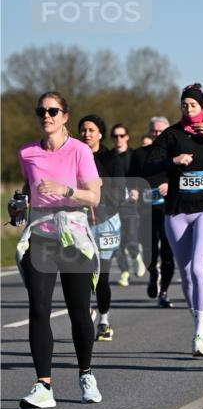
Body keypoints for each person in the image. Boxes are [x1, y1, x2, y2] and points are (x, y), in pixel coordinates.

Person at [12, 92, 102, 409]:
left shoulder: (79, 151)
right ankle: (43, 386)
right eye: (41, 111)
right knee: (39, 307)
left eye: (53, 110)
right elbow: (28, 189)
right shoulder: (27, 152)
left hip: (73, 235)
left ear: (64, 116)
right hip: (41, 235)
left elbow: (94, 197)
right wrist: (19, 205)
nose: (46, 115)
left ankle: (86, 374)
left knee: (78, 310)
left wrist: (65, 190)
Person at [146, 83, 203, 356]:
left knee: (197, 268)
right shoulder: (171, 135)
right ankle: (197, 321)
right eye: (184, 104)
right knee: (184, 273)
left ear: (202, 106)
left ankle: (199, 334)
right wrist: (174, 161)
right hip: (177, 210)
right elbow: (148, 165)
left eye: (193, 104)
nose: (188, 108)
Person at [78, 114, 125, 341]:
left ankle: (104, 320)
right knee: (84, 273)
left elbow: (118, 192)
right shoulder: (74, 155)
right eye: (83, 130)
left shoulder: (110, 157)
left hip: (106, 223)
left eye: (91, 130)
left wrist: (90, 161)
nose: (86, 134)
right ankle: (86, 313)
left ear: (99, 134)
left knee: (102, 276)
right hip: (81, 223)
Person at [128, 117, 175, 307]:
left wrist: (169, 184)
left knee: (168, 253)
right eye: (154, 131)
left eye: (161, 131)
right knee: (149, 251)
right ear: (149, 132)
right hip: (146, 211)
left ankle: (164, 291)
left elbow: (182, 176)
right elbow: (131, 178)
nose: (157, 134)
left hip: (169, 210)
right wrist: (135, 190)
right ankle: (153, 273)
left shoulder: (175, 154)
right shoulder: (140, 154)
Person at [110, 123, 146, 287]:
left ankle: (137, 257)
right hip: (112, 205)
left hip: (131, 205)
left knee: (131, 238)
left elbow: (142, 176)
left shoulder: (135, 155)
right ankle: (124, 272)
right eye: (115, 136)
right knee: (117, 243)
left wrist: (137, 190)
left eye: (121, 135)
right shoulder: (108, 157)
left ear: (127, 137)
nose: (119, 139)